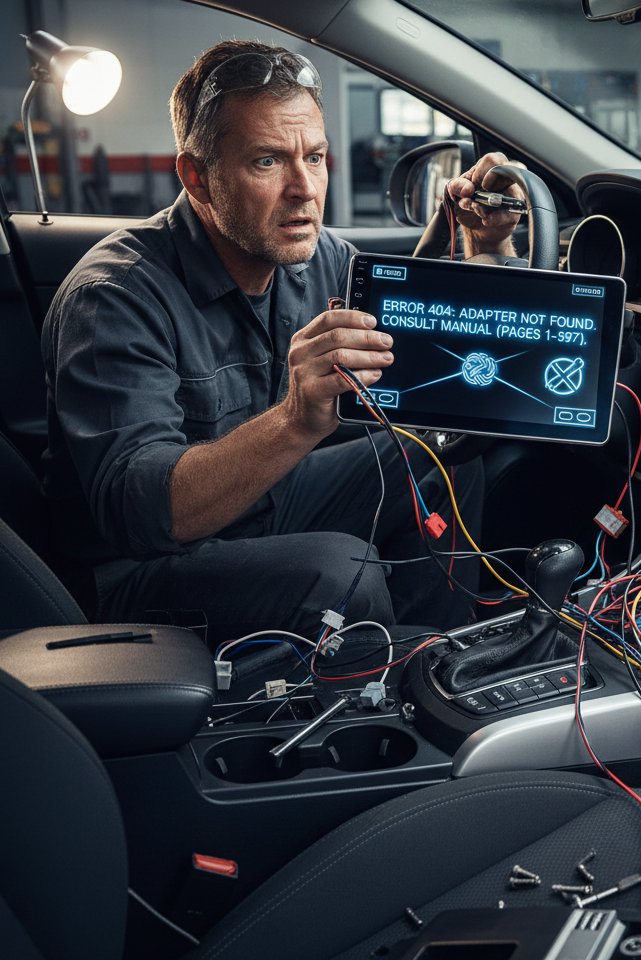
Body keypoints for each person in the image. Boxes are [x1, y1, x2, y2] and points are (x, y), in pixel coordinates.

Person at [40, 39, 525, 643]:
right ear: (197, 177)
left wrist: (486, 248)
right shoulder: (115, 296)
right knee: (343, 572)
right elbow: (145, 515)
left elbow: (408, 352)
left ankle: (438, 663)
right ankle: (373, 706)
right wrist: (297, 420)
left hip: (262, 505)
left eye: (315, 158)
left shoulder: (319, 259)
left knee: (438, 456)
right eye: (268, 161)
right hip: (140, 570)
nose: (304, 189)